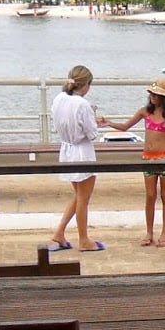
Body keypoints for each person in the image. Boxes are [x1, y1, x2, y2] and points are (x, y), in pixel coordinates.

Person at [108, 76, 165, 246]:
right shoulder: (144, 112)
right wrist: (109, 123)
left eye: (155, 95)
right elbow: (126, 126)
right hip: (148, 158)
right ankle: (149, 232)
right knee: (149, 196)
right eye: (151, 94)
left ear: (164, 98)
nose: (152, 97)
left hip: (164, 159)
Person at [47, 65, 110, 253]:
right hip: (82, 152)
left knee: (78, 196)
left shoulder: (59, 99)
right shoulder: (82, 104)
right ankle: (84, 239)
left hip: (66, 149)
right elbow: (91, 134)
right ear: (86, 84)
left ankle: (59, 233)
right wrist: (95, 123)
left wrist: (90, 122)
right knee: (84, 198)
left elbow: (64, 121)